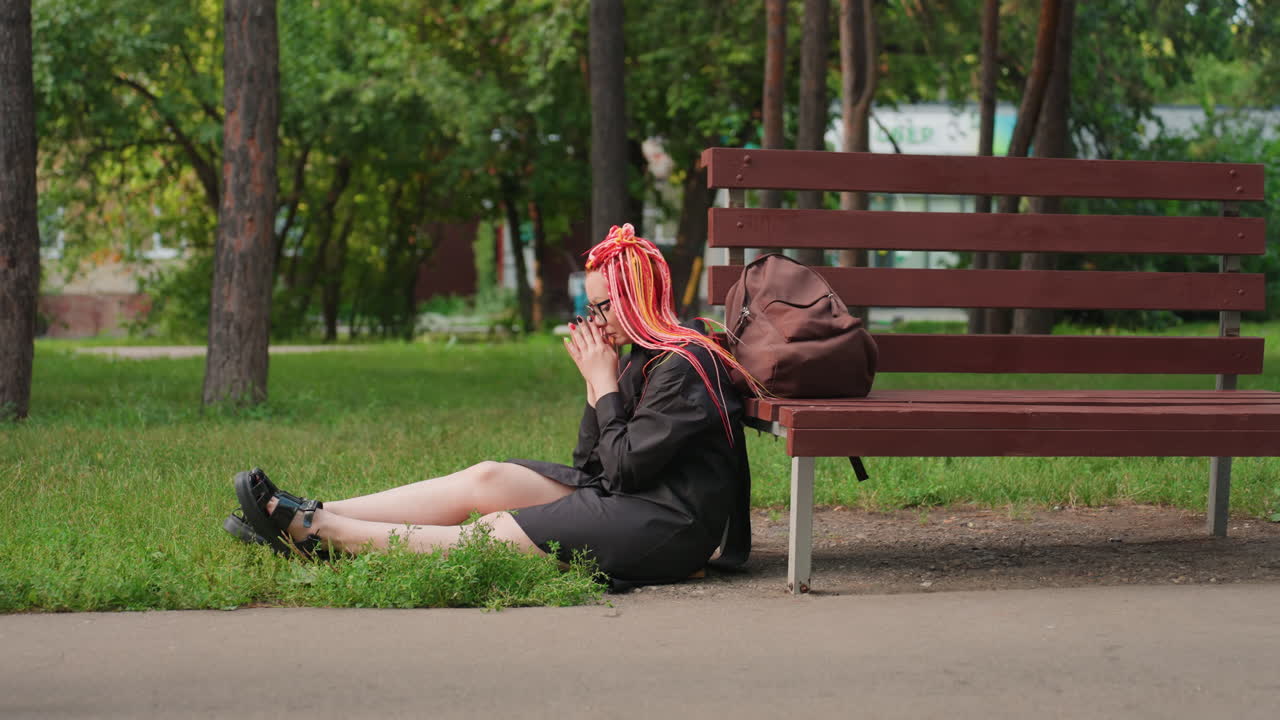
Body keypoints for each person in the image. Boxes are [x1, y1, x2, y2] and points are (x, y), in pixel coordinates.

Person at [227, 224, 761, 584]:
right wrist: (595, 388)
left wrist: (604, 388)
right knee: (487, 479)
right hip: (627, 494)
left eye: (600, 306)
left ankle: (321, 536)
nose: (594, 319)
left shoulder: (686, 364)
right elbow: (591, 468)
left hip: (670, 525)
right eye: (589, 306)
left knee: (499, 532)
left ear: (631, 300)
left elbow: (620, 473)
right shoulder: (638, 356)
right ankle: (318, 509)